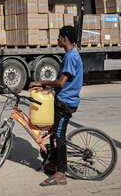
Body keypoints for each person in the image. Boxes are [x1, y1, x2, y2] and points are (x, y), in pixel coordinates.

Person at [28, 25, 83, 187]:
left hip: (65, 103)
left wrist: (41, 82)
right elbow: (61, 84)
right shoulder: (69, 55)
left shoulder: (71, 56)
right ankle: (52, 163)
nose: (57, 39)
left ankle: (61, 174)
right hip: (61, 99)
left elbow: (61, 82)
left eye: (59, 37)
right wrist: (44, 88)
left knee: (59, 137)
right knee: (52, 133)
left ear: (65, 38)